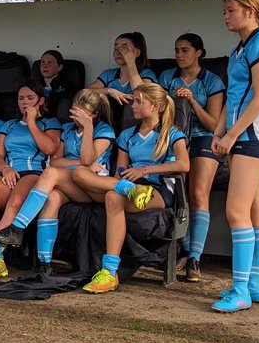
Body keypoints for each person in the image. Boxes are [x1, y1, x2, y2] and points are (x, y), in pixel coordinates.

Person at [74, 81, 190, 293]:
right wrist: (121, 180)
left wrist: (145, 171)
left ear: (155, 106)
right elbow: (120, 169)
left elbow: (183, 164)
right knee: (80, 173)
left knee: (111, 196)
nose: (133, 106)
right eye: (133, 101)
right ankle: (109, 273)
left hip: (156, 189)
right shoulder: (127, 134)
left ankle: (109, 272)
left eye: (138, 101)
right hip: (128, 185)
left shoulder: (172, 133)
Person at [0, 88, 115, 274]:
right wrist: (77, 164)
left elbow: (88, 158)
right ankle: (44, 264)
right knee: (52, 197)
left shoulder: (104, 130)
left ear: (93, 114)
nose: (74, 116)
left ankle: (17, 228)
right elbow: (56, 160)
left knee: (50, 174)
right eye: (73, 110)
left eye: (80, 113)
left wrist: (88, 128)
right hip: (72, 183)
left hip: (94, 187)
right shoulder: (68, 129)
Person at [210, 0, 259, 313]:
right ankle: (254, 284)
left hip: (256, 136)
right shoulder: (240, 48)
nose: (225, 16)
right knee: (254, 211)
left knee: (235, 212)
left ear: (250, 11)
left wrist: (232, 134)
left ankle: (240, 290)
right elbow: (234, 94)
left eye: (231, 10)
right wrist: (218, 131)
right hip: (243, 137)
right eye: (223, 11)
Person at [0, 81, 62, 281]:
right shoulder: (9, 124)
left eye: (30, 98)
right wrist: (5, 168)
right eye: (21, 98)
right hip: (9, 171)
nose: (24, 102)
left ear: (41, 101)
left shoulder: (50, 123)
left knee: (16, 202)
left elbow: (49, 149)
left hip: (34, 173)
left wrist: (31, 122)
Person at [158, 33, 225, 282]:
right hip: (175, 138)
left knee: (197, 194)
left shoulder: (212, 79)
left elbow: (214, 123)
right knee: (177, 193)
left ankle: (194, 257)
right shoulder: (167, 77)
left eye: (185, 50)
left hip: (205, 138)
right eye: (176, 50)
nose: (179, 55)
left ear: (199, 52)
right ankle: (185, 249)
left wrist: (192, 101)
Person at [89, 32, 157, 106]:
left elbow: (143, 95)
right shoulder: (109, 74)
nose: (118, 52)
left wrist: (131, 63)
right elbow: (86, 92)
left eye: (124, 48)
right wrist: (109, 91)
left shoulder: (146, 74)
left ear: (137, 52)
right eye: (116, 48)